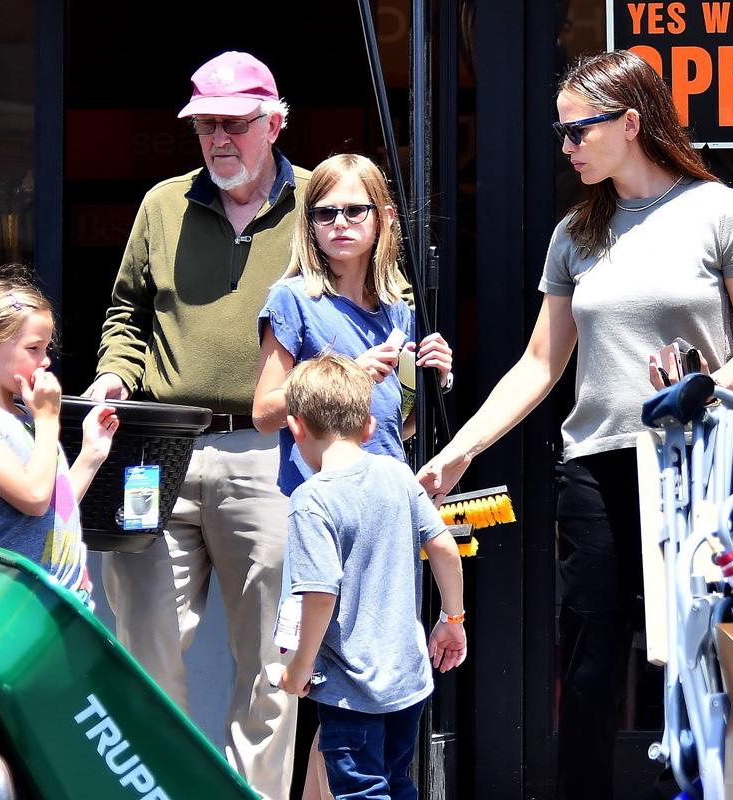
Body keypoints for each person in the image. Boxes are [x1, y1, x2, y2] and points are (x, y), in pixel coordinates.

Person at [417, 49, 733, 799]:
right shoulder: (576, 233)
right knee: (588, 658)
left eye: (578, 129)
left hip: (697, 463)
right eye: (560, 131)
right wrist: (458, 451)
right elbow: (540, 365)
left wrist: (703, 389)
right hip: (597, 464)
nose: (566, 145)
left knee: (707, 651)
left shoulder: (720, 210)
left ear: (632, 122)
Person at [83, 51, 306, 799]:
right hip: (158, 448)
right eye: (206, 124)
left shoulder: (323, 203)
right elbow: (126, 313)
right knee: (143, 648)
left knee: (273, 661)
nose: (219, 140)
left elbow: (375, 303)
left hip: (272, 452)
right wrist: (114, 371)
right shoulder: (163, 204)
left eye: (235, 124)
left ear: (275, 121)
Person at [252, 152, 453, 800]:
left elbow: (395, 431)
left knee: (356, 693)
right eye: (323, 212)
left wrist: (434, 377)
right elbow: (263, 411)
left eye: (352, 210)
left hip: (388, 510)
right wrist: (346, 371)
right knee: (332, 686)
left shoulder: (400, 309)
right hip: (322, 511)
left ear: (382, 219)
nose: (337, 223)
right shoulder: (292, 299)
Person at [277, 353, 466, 800]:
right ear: (368, 428)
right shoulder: (397, 475)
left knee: (361, 791)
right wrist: (452, 620)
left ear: (296, 427)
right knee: (397, 783)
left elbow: (320, 594)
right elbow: (442, 547)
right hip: (407, 682)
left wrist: (299, 668)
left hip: (350, 688)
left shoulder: (311, 500)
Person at [0, 266, 118, 600]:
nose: (45, 361)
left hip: (64, 594)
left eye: (46, 348)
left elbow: (53, 506)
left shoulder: (25, 415)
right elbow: (32, 499)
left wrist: (91, 455)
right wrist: (48, 422)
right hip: (18, 597)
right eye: (34, 349)